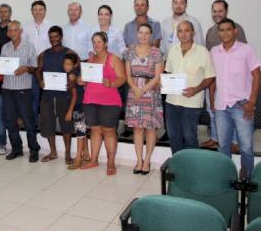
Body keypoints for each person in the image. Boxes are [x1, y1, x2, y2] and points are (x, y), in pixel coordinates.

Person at [210, 18, 260, 178]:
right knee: (223, 145)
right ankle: (226, 179)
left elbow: (256, 76)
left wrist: (252, 101)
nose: (225, 33)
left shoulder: (246, 50)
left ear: (235, 31)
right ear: (219, 33)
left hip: (242, 106)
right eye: (222, 30)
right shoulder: (214, 51)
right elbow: (212, 78)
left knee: (245, 147)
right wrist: (212, 100)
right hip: (221, 107)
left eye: (228, 30)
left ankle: (246, 180)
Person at [79, 32, 126, 175]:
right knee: (95, 130)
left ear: (106, 43)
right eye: (94, 42)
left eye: (99, 41)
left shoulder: (114, 59)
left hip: (110, 102)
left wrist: (112, 83)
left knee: (109, 131)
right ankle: (93, 160)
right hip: (90, 100)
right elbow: (84, 80)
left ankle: (111, 162)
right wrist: (81, 81)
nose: (96, 44)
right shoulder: (90, 59)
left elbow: (122, 78)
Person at [164, 20, 215, 154]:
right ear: (177, 33)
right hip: (171, 102)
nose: (183, 34)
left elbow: (210, 76)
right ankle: (178, 166)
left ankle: (193, 168)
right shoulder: (173, 50)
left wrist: (196, 89)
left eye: (187, 30)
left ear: (193, 33)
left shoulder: (202, 52)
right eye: (180, 31)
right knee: (173, 137)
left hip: (191, 104)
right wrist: (165, 82)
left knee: (190, 138)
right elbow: (168, 71)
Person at [202, 0, 246, 150]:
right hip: (213, 79)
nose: (217, 14)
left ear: (226, 11)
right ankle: (215, 137)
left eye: (220, 11)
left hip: (232, 82)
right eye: (214, 11)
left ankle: (234, 141)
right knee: (212, 109)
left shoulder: (236, 28)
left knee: (231, 110)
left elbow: (242, 55)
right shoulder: (210, 31)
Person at [0, 20, 40, 162]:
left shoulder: (29, 47)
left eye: (15, 30)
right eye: (10, 30)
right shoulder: (5, 47)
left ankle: (34, 149)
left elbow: (35, 69)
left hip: (23, 90)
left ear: (20, 31)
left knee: (28, 121)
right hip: (7, 89)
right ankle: (17, 149)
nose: (12, 33)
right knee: (10, 121)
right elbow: (2, 67)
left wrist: (26, 68)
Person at [124, 24, 164, 175]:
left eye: (147, 33)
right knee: (137, 128)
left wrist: (143, 90)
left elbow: (158, 76)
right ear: (137, 34)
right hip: (134, 93)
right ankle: (139, 160)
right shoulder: (130, 52)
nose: (143, 36)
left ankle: (147, 160)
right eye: (141, 32)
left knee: (150, 128)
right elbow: (128, 75)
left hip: (151, 93)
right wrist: (135, 89)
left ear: (151, 35)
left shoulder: (157, 52)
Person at [36, 26, 76, 163]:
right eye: (51, 37)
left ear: (61, 36)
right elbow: (38, 70)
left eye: (56, 36)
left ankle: (67, 154)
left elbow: (77, 70)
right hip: (47, 94)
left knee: (66, 124)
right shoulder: (44, 54)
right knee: (48, 122)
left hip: (64, 94)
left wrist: (72, 81)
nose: (53, 39)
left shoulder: (69, 52)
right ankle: (53, 152)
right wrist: (40, 80)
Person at [22, 0, 54, 126]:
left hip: (47, 67)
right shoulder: (25, 27)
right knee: (33, 97)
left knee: (48, 98)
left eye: (40, 9)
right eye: (35, 10)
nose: (38, 12)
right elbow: (23, 47)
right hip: (31, 68)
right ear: (31, 11)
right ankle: (33, 124)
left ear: (45, 11)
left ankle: (48, 124)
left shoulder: (52, 26)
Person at [64, 53, 91, 170]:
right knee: (82, 131)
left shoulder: (72, 75)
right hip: (81, 105)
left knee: (80, 132)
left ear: (75, 65)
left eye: (69, 64)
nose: (66, 66)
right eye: (64, 63)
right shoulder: (75, 73)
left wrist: (70, 111)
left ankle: (79, 159)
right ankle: (87, 155)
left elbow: (75, 96)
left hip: (78, 106)